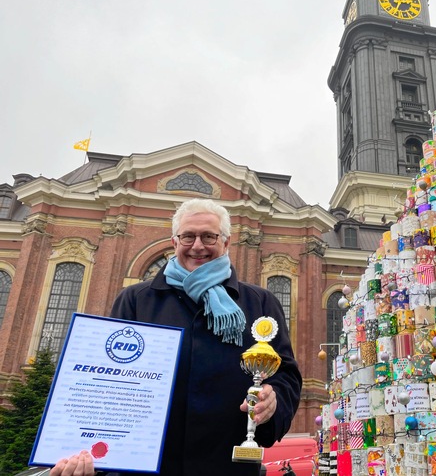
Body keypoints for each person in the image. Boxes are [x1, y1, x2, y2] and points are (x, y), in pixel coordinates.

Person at [50, 198, 302, 476]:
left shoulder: (259, 302)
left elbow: (285, 374)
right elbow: (107, 380)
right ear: (174, 242)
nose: (197, 245)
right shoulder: (136, 300)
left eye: (209, 236)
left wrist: (273, 401)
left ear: (226, 243)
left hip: (226, 465)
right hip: (147, 467)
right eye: (188, 236)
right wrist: (84, 451)